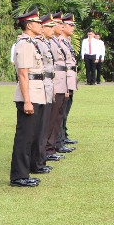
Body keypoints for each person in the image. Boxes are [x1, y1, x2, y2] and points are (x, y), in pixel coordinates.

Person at [10, 8, 44, 187]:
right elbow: (23, 74)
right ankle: (18, 176)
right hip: (29, 94)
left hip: (36, 92)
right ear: (29, 25)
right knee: (24, 137)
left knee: (30, 135)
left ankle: (24, 173)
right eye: (38, 22)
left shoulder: (31, 43)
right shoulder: (24, 44)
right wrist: (27, 100)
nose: (41, 25)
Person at [31, 14, 56, 175]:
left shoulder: (45, 43)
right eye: (50, 26)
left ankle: (40, 160)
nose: (52, 30)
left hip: (47, 85)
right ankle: (37, 161)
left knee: (45, 125)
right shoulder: (37, 44)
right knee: (39, 128)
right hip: (40, 86)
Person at [46, 13, 70, 162]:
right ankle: (49, 148)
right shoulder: (52, 43)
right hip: (54, 84)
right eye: (58, 23)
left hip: (61, 83)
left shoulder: (56, 42)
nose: (62, 26)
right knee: (52, 119)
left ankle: (52, 147)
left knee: (58, 117)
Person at [58, 13, 79, 148]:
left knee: (66, 111)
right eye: (70, 25)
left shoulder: (67, 41)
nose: (73, 28)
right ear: (63, 26)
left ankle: (63, 135)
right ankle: (59, 139)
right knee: (61, 112)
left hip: (70, 80)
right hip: (63, 81)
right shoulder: (59, 41)